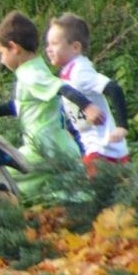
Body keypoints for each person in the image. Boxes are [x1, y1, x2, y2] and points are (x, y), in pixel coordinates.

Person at [0, 10, 93, 201]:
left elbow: (61, 88)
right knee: (72, 201)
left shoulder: (31, 75)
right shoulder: (36, 68)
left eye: (1, 53)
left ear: (14, 48)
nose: (1, 59)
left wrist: (88, 107)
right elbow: (23, 104)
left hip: (44, 149)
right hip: (62, 149)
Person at [45, 13, 131, 175]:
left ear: (75, 47)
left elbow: (114, 88)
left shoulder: (79, 71)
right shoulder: (67, 72)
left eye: (54, 43)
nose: (48, 49)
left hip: (104, 150)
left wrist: (122, 126)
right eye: (48, 44)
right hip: (99, 149)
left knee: (84, 193)